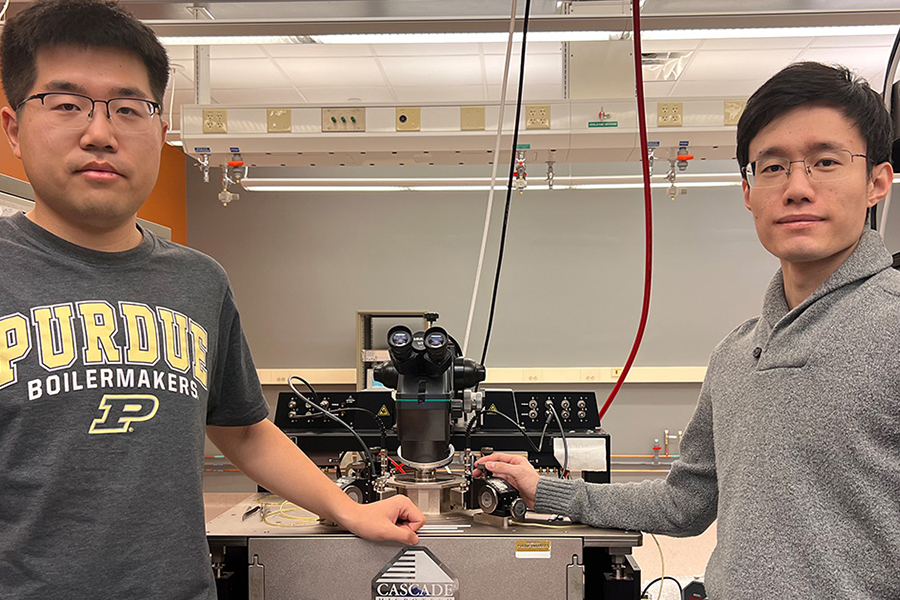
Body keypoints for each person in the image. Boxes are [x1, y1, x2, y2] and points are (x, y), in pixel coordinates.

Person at [0, 0, 425, 598]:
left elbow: (244, 430)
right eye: (66, 104)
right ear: (13, 128)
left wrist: (347, 507)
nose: (99, 133)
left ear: (160, 132)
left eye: (128, 108)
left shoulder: (199, 280)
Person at [477, 62, 898, 599]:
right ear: (747, 192)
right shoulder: (736, 354)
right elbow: (685, 504)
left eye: (825, 162)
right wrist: (548, 491)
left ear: (877, 182)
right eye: (771, 167)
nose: (796, 188)